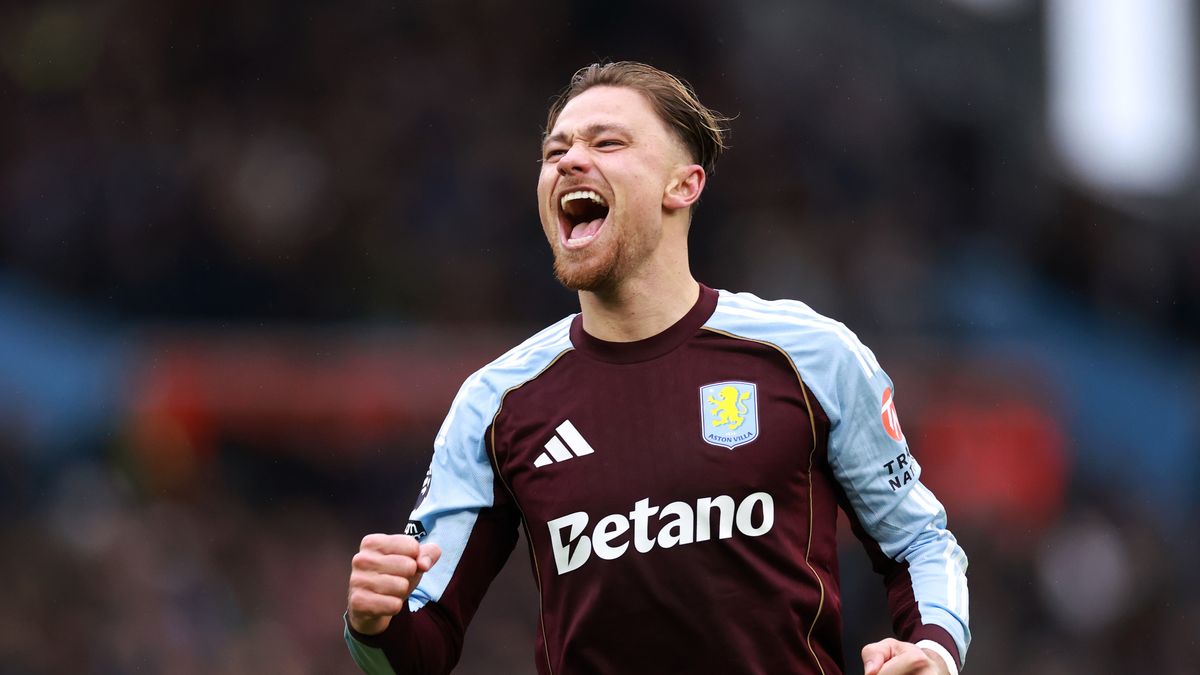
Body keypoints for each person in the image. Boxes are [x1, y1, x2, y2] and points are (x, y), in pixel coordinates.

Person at [344, 61, 970, 675]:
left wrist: (934, 651)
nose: (568, 160)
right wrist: (374, 623)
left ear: (684, 185)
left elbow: (918, 543)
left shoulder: (811, 356)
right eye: (554, 150)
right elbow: (417, 649)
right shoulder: (497, 402)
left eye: (606, 142)